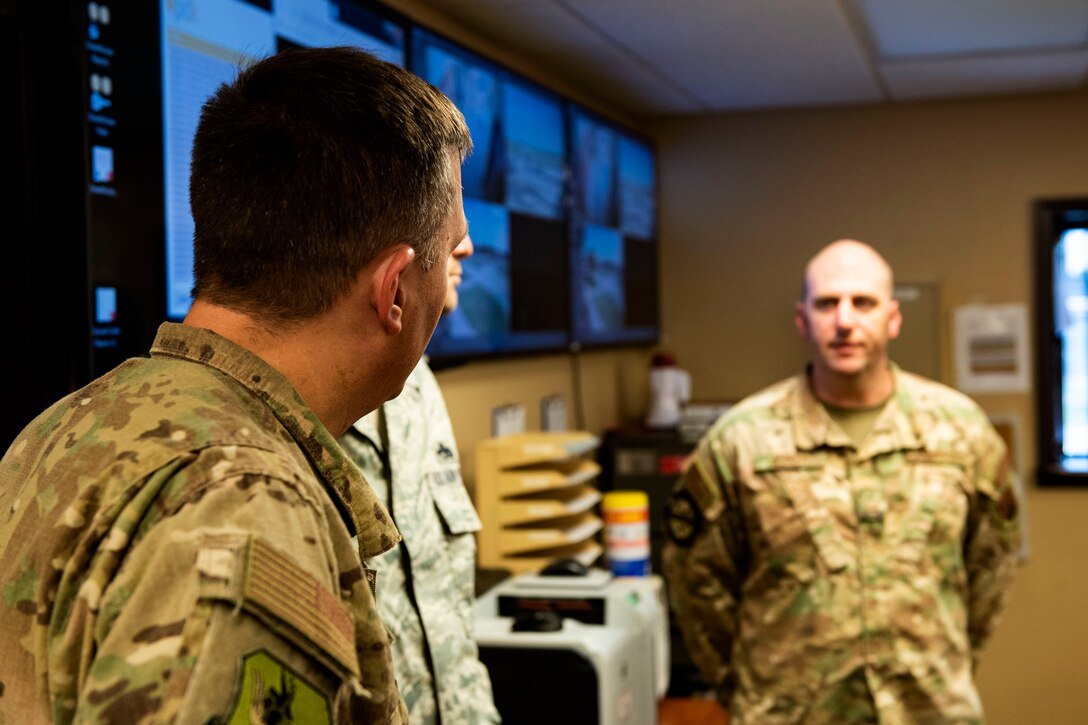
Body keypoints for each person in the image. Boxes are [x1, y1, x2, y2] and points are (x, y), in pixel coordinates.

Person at [0, 46, 472, 724]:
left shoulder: (60, 429)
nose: (465, 254)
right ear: (394, 289)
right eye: (449, 242)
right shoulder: (253, 513)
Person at [663, 239, 1021, 724]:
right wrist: (749, 684)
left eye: (863, 303)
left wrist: (944, 661)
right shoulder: (741, 440)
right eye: (827, 303)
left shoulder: (960, 432)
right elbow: (696, 580)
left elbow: (990, 568)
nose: (845, 320)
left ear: (893, 319)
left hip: (926, 710)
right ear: (801, 318)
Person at [338, 233, 501, 724]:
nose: (469, 247)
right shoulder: (295, 413)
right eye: (450, 223)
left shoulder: (415, 380)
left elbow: (446, 616)